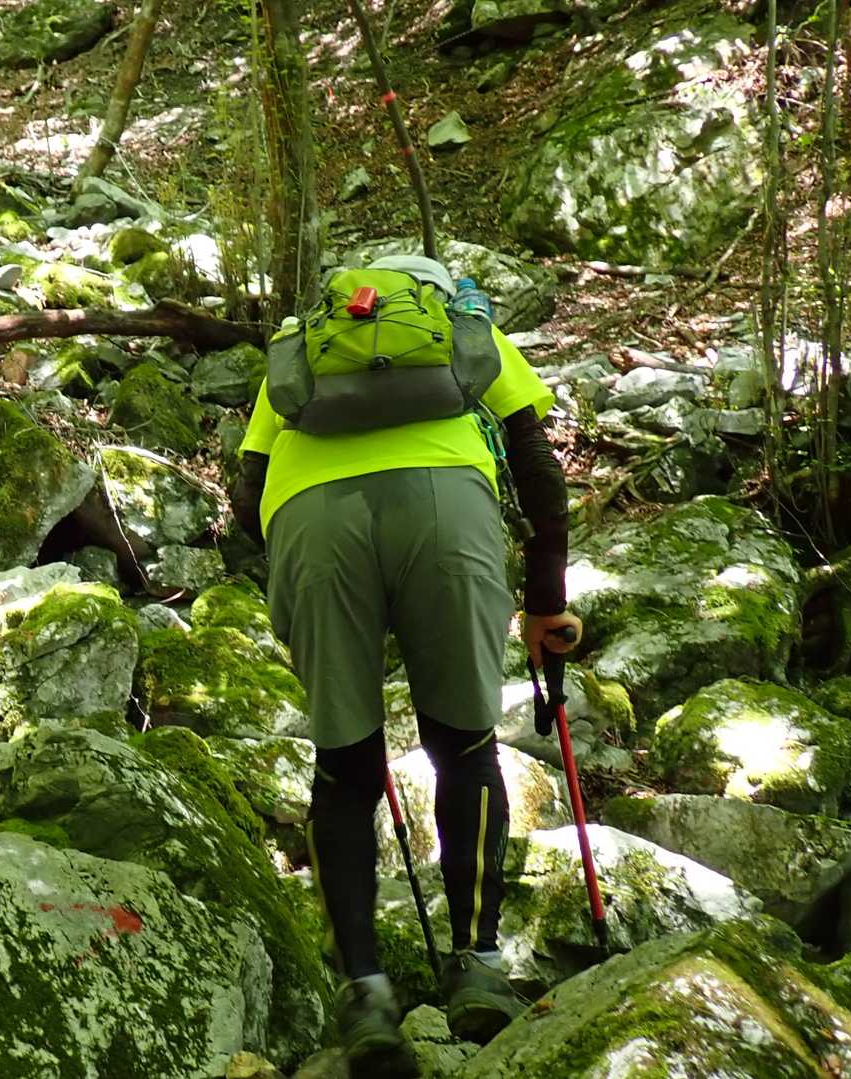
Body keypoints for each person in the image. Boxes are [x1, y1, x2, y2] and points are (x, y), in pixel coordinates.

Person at [228, 255, 582, 1075]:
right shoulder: (463, 328)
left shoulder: (305, 339)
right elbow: (537, 466)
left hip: (312, 522)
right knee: (465, 746)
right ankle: (478, 965)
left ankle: (366, 995)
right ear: (433, 292)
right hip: (447, 508)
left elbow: (246, 496)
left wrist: (299, 571)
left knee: (345, 766)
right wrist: (545, 603)